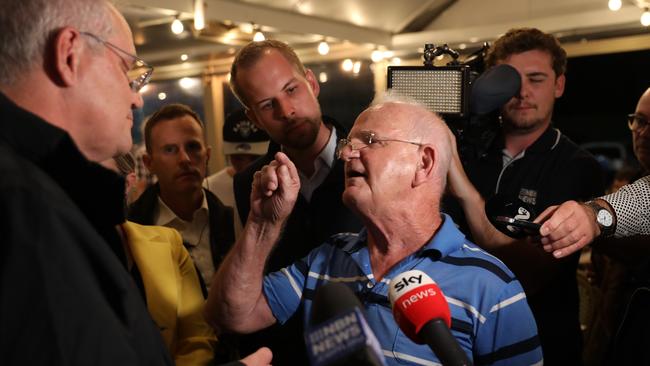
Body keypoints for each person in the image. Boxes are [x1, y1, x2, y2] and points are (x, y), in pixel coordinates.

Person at [206, 96, 543, 365]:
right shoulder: (328, 257)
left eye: (369, 141)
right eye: (348, 144)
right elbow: (232, 315)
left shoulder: (491, 285)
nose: (348, 153)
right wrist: (263, 225)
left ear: (423, 163)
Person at [0, 0, 174, 363]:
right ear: (69, 55)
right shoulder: (24, 211)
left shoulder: (47, 192)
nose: (136, 97)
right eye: (127, 70)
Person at [445, 27, 605, 365]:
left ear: (558, 85)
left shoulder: (576, 165)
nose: (522, 92)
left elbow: (529, 275)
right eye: (509, 80)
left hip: (541, 344)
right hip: (456, 340)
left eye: (536, 79)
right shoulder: (469, 151)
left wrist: (462, 189)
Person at [227, 39, 363, 363]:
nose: (286, 111)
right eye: (267, 105)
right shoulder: (250, 184)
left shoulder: (364, 161)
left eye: (291, 90)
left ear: (311, 83)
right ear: (254, 118)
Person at [102, 154, 218, 366]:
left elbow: (197, 339)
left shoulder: (169, 242)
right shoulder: (55, 251)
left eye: (98, 174)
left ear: (128, 183)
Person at [128, 103, 235, 293]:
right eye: (170, 150)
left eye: (193, 146)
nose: (185, 158)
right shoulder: (130, 230)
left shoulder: (235, 221)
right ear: (148, 163)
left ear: (207, 155)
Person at [539, 89, 650, 258]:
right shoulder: (635, 180)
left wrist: (591, 219)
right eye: (640, 121)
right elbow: (640, 201)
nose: (644, 133)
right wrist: (590, 215)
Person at [205, 108, 270, 237]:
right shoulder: (209, 187)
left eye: (255, 159)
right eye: (238, 158)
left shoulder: (282, 186)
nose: (246, 166)